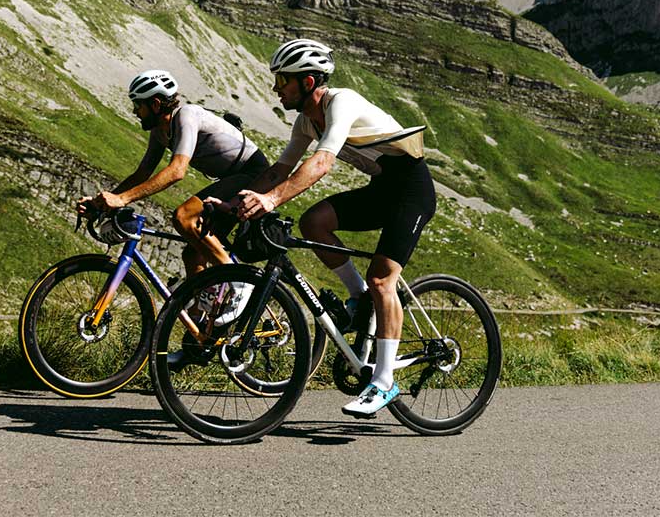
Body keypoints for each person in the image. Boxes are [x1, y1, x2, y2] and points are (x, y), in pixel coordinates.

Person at [223, 39, 436, 417]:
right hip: (382, 190)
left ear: (307, 81)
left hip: (411, 191)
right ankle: (359, 302)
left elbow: (321, 164)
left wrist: (271, 201)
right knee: (313, 222)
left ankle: (384, 381)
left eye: (283, 81)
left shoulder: (343, 101)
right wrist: (235, 204)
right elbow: (279, 170)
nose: (277, 88)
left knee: (383, 279)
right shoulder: (305, 120)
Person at [78, 69, 270, 279]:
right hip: (231, 178)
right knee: (193, 254)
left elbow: (177, 171)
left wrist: (122, 199)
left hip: (254, 173)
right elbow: (142, 173)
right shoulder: (159, 131)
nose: (135, 112)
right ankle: (198, 311)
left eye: (138, 105)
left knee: (184, 217)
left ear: (156, 104)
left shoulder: (186, 115)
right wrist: (102, 204)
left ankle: (239, 282)